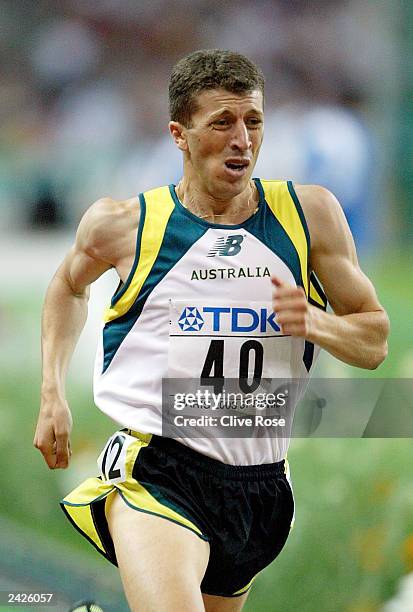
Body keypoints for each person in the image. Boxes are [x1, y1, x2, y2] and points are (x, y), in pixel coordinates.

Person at [34, 49, 389, 612]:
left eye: (254, 121)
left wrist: (315, 322)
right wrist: (52, 394)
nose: (242, 140)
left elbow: (374, 339)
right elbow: (67, 286)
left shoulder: (309, 215)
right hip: (158, 469)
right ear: (179, 133)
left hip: (261, 487)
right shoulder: (127, 225)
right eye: (222, 122)